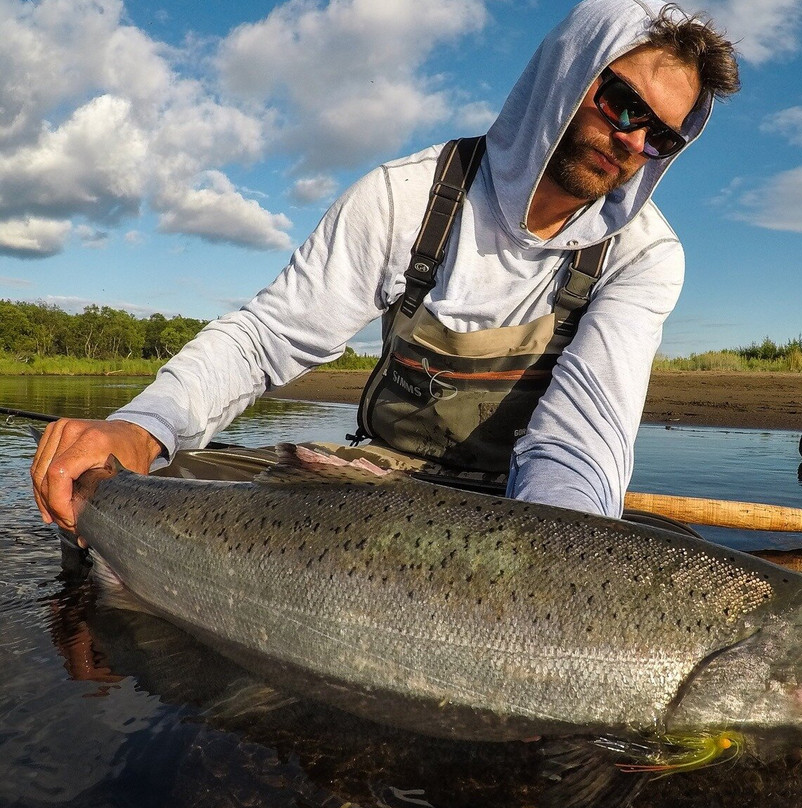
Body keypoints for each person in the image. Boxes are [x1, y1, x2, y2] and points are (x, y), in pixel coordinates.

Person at [31, 0, 740, 534]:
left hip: (521, 506)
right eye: (624, 105)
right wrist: (143, 426)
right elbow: (264, 340)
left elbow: (581, 440)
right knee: (127, 491)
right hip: (374, 481)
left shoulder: (645, 255)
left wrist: (555, 559)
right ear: (567, 74)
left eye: (661, 137)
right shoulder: (406, 197)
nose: (633, 143)